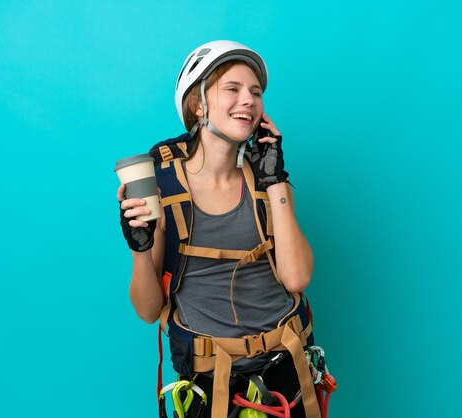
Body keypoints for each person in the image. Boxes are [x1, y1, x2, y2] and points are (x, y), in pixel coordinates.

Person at [117, 41, 323, 418]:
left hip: (286, 371)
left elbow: (296, 277)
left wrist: (276, 180)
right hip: (209, 383)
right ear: (199, 104)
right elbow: (148, 311)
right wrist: (139, 247)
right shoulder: (161, 188)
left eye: (256, 92)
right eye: (233, 88)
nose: (248, 99)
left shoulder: (269, 183)